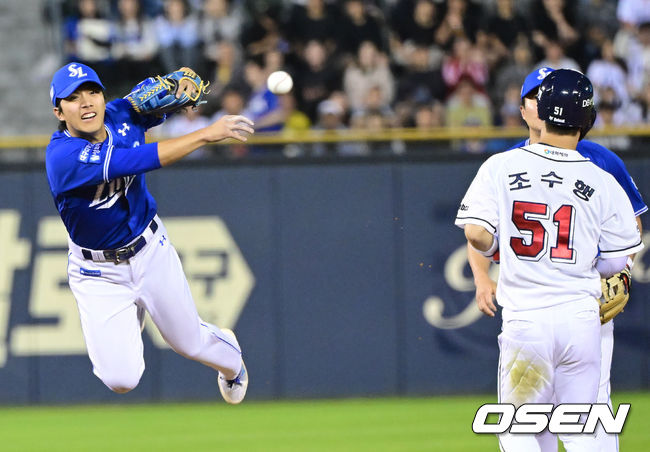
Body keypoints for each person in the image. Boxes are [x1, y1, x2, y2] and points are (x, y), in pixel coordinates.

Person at [456, 69, 644, 451]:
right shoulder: (599, 178)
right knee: (586, 427)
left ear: (539, 109)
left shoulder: (501, 166)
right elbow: (619, 254)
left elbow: (476, 234)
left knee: (521, 428)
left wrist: (499, 251)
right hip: (580, 318)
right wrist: (613, 274)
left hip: (527, 320)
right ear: (587, 119)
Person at [46, 62, 254, 403]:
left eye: (92, 92)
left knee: (189, 342)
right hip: (97, 272)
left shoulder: (121, 113)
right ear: (59, 111)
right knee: (121, 378)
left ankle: (232, 365)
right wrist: (205, 133)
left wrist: (179, 94)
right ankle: (130, 314)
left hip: (149, 250)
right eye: (73, 98)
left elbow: (157, 97)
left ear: (102, 95)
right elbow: (138, 159)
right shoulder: (62, 157)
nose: (86, 103)